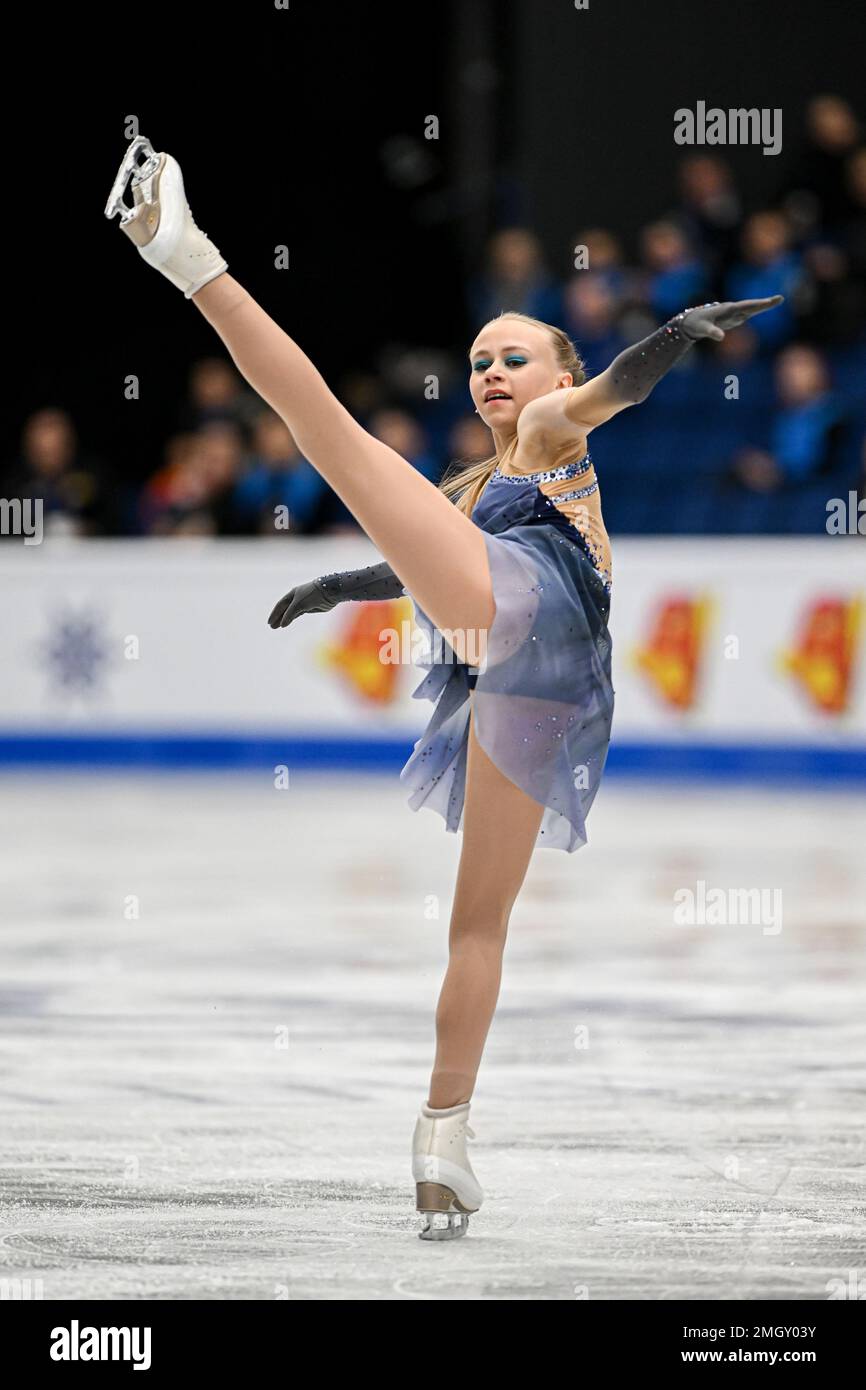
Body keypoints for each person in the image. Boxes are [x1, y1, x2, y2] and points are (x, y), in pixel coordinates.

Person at [106, 135, 783, 1241]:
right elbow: (435, 552)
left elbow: (613, 391)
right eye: (476, 361)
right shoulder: (481, 485)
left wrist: (667, 336)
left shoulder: (556, 429)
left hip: (528, 615)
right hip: (530, 668)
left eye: (511, 357)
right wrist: (342, 582)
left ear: (553, 375)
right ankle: (443, 1138)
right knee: (477, 927)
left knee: (325, 429)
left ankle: (190, 261)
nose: (488, 374)